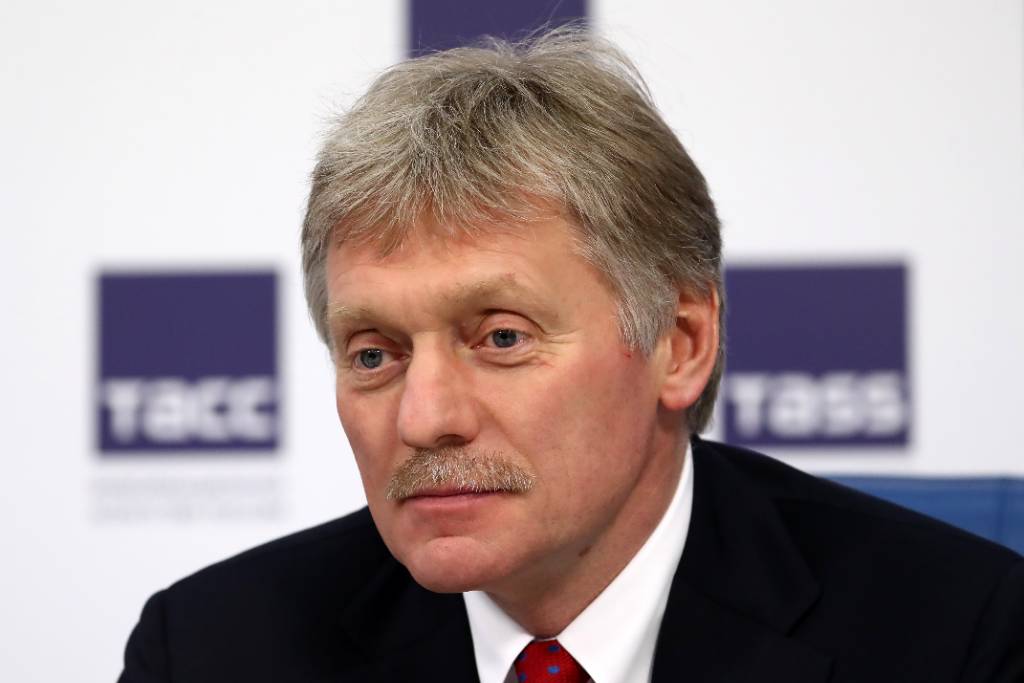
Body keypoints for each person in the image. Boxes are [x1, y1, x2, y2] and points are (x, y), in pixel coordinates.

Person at [119, 27, 1024, 683]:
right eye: (373, 354)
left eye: (501, 337)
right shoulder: (211, 651)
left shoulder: (959, 635)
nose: (425, 416)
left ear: (680, 345)